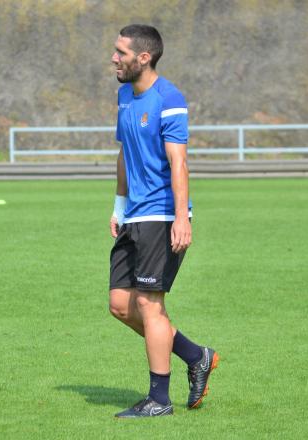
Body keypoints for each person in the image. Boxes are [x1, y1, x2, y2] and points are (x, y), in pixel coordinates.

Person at [108, 24, 219, 418]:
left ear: (144, 58)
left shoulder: (169, 99)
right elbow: (124, 153)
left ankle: (159, 399)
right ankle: (195, 355)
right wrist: (119, 207)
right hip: (134, 214)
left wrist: (182, 217)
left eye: (121, 52)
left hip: (161, 214)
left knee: (149, 304)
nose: (113, 57)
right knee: (120, 304)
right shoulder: (124, 95)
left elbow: (179, 162)